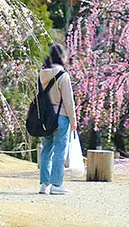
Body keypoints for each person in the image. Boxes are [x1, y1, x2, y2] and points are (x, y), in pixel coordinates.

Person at [38, 43, 77, 195]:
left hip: (46, 118)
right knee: (60, 151)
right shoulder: (62, 75)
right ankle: (57, 185)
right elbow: (68, 100)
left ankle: (44, 184)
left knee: (46, 150)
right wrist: (73, 120)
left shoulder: (42, 75)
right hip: (61, 117)